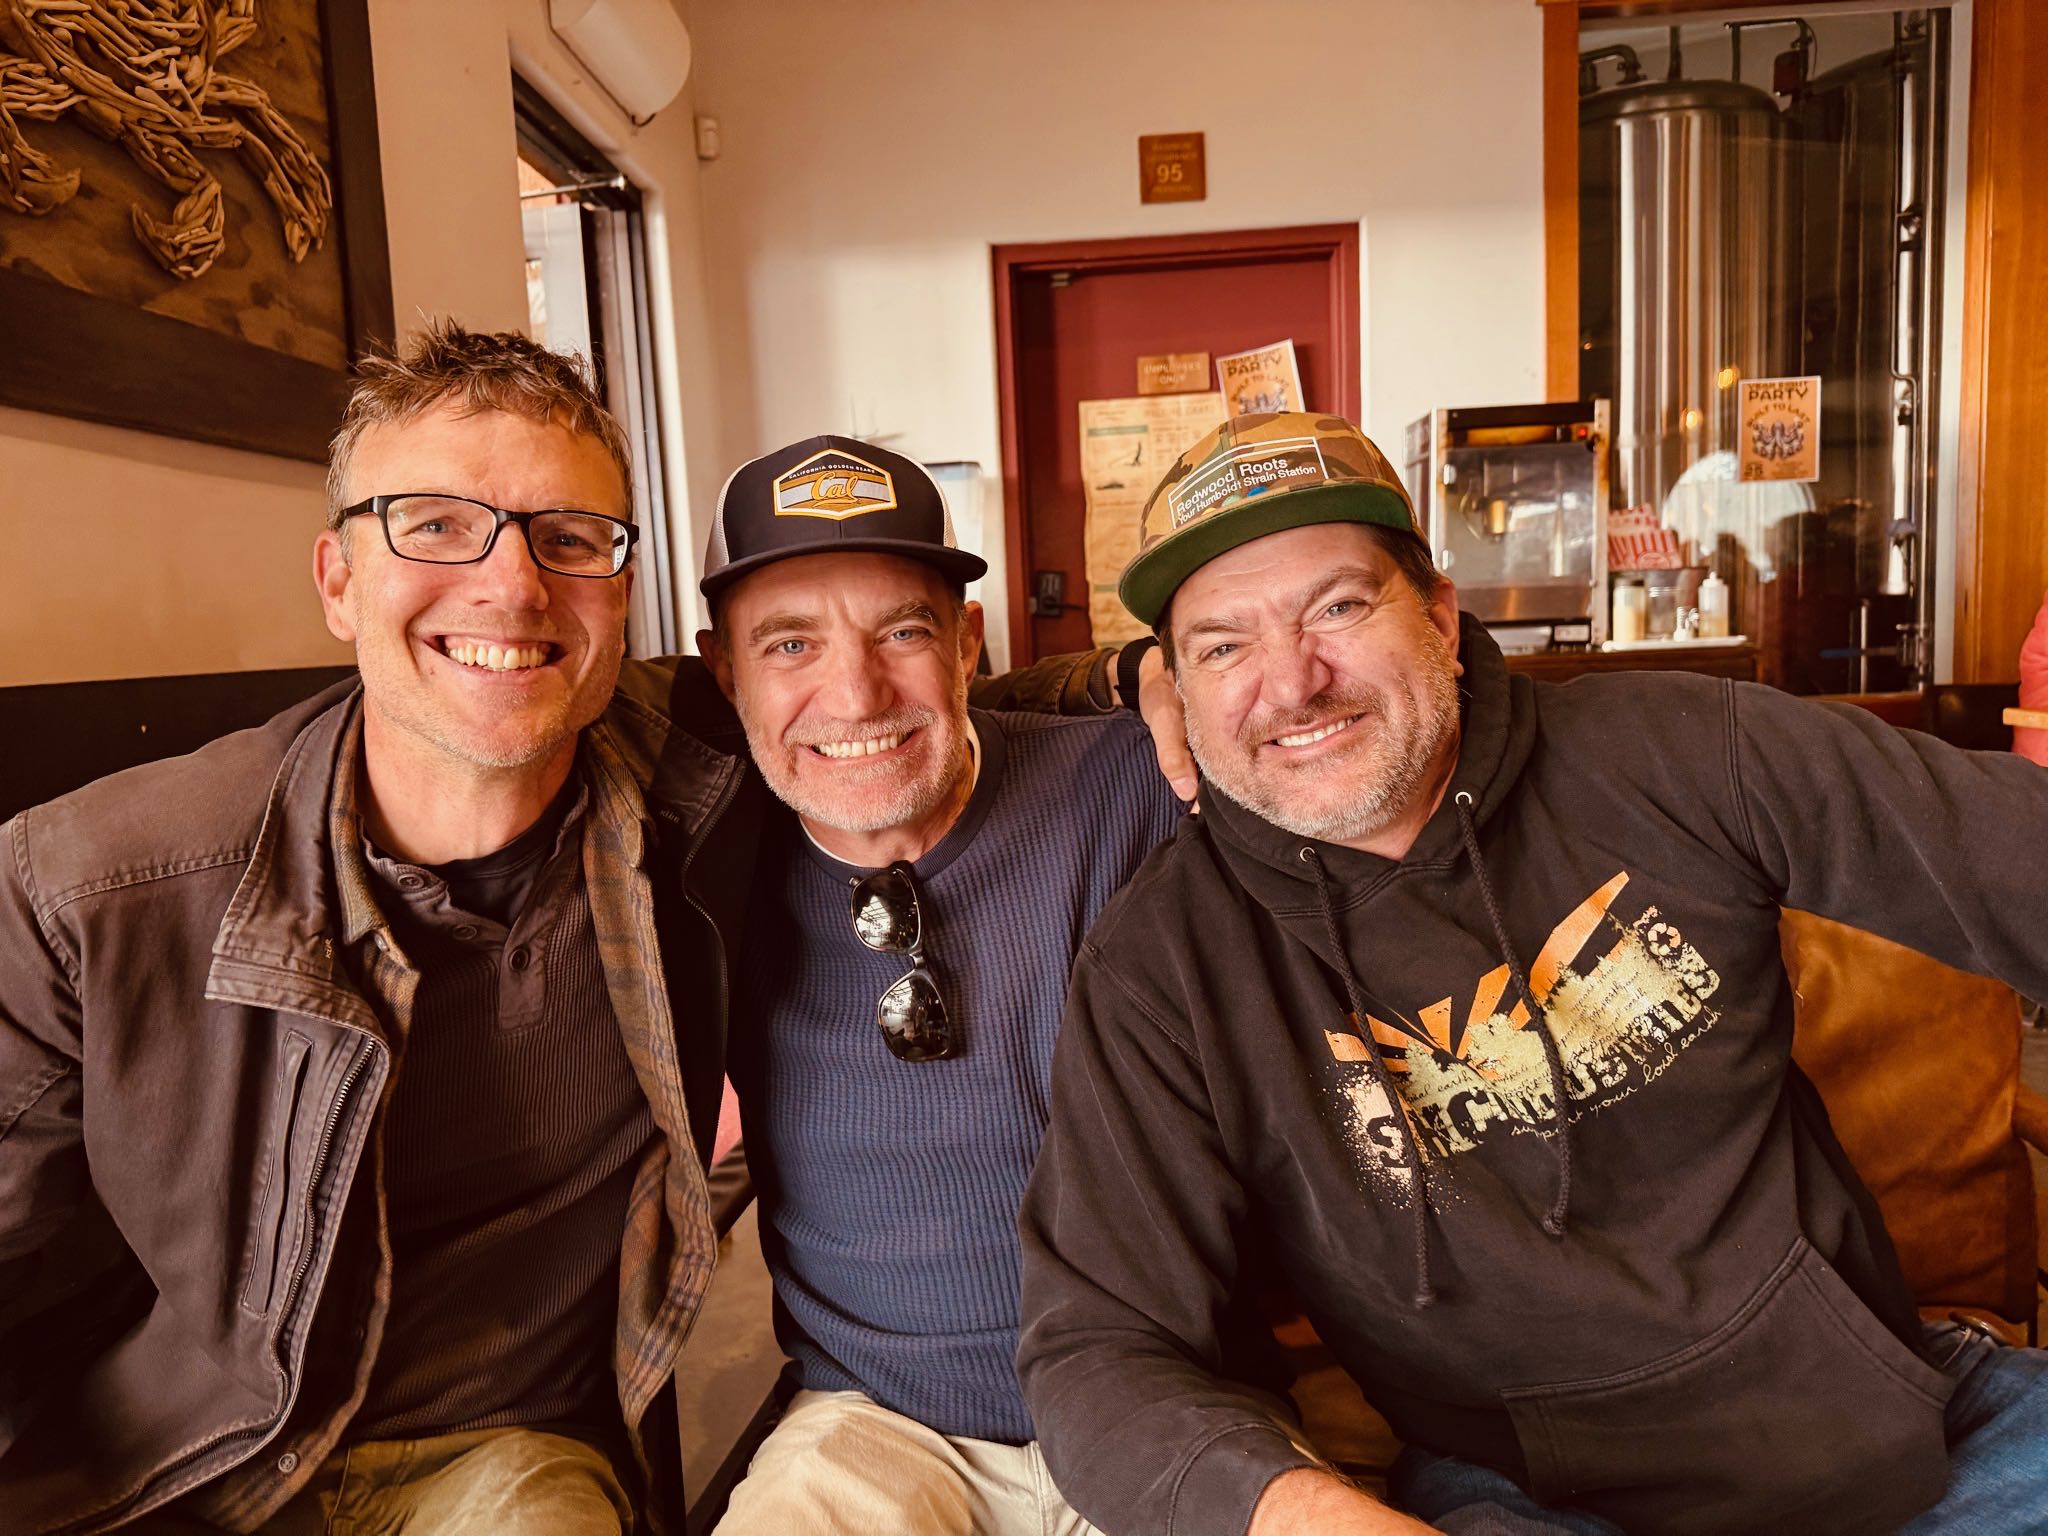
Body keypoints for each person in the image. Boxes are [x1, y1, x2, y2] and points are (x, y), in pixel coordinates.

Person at [0, 326, 1142, 1536]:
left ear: (617, 589)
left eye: (567, 536)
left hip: (501, 1456)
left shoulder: (686, 781)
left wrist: (1146, 679)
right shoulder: (88, 886)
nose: (511, 586)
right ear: (335, 578)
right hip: (188, 1471)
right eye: (433, 523)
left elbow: (890, 714)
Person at [1016, 411, 2048, 1536]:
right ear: (1174, 686)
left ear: (1441, 618)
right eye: (1222, 645)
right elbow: (1095, 1345)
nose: (1293, 682)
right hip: (1520, 1494)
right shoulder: (1162, 964)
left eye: (1339, 607)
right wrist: (1306, 1519)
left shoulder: (1681, 752)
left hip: (1891, 1424)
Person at [691, 437, 1186, 1535]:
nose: (854, 692)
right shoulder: (694, 867)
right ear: (723, 673)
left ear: (967, 643)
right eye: (788, 643)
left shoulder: (1144, 783)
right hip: (873, 1429)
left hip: (1169, 1400)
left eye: (901, 630)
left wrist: (1162, 666)